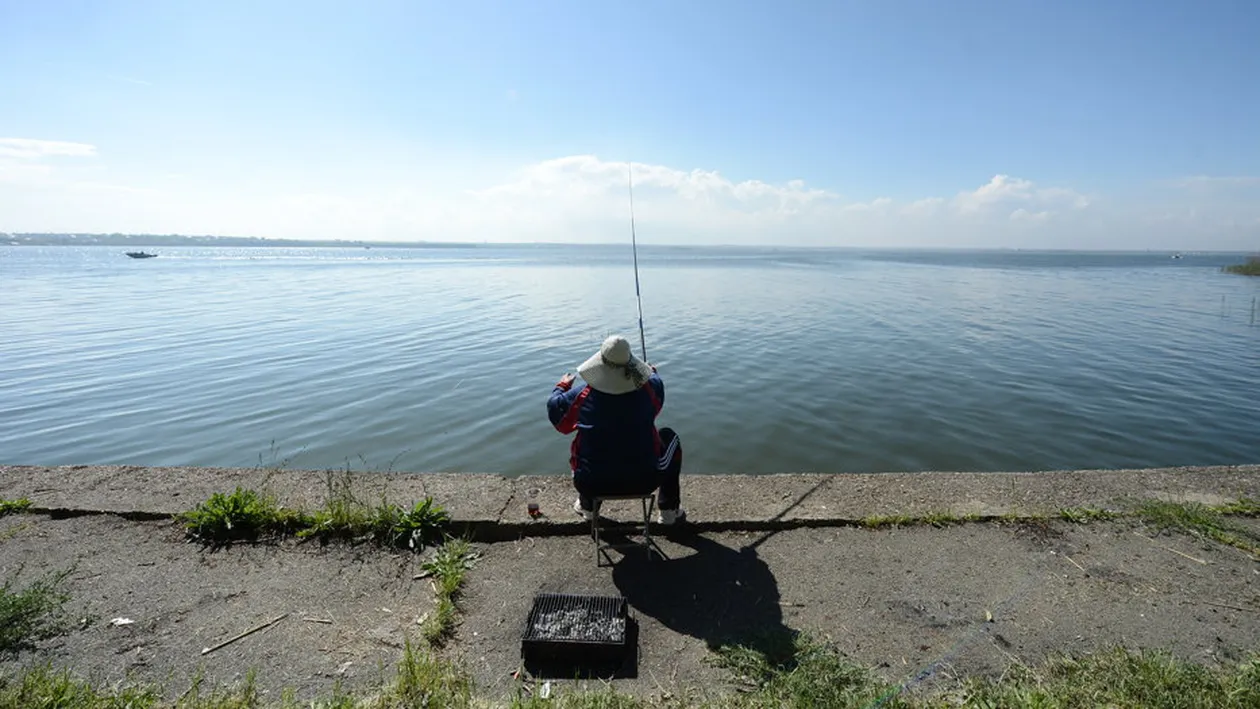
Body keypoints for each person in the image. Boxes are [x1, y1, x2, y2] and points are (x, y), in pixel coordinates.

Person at [547, 334, 685, 524]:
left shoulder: (582, 395)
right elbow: (657, 396)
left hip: (590, 483)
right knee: (669, 437)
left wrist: (561, 386)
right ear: (630, 363)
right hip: (645, 481)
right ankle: (669, 510)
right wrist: (651, 372)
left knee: (586, 447)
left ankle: (588, 508)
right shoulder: (649, 388)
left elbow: (558, 418)